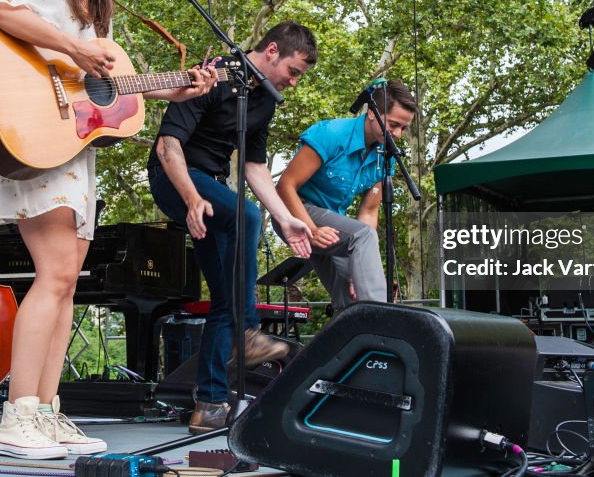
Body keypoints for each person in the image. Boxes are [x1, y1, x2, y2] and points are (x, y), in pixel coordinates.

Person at [0, 0, 215, 459]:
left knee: (65, 282)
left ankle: (48, 409)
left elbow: (109, 90)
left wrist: (176, 87)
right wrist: (73, 50)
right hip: (35, 141)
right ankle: (18, 416)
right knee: (53, 277)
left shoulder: (95, 8)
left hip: (73, 154)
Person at [147, 21, 317, 434]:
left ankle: (209, 405)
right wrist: (191, 198)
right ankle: (247, 331)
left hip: (214, 193)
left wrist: (285, 216)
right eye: (293, 71)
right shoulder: (216, 73)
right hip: (176, 177)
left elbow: (253, 167)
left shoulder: (265, 102)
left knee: (224, 291)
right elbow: (167, 146)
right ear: (272, 50)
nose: (293, 83)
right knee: (247, 215)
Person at [275, 80, 418, 309]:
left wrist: (360, 268)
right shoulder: (331, 134)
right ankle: (382, 317)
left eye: (404, 128)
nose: (398, 134)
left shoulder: (384, 157)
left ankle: (362, 340)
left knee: (351, 295)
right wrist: (311, 228)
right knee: (363, 236)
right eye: (393, 124)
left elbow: (369, 211)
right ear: (372, 112)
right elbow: (285, 186)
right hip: (294, 212)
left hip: (333, 228)